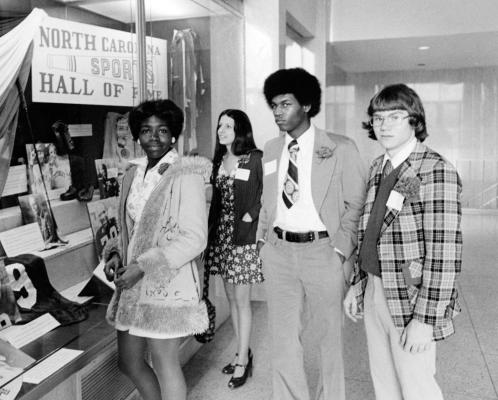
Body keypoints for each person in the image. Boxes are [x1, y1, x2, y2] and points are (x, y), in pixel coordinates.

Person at [344, 84, 462, 400]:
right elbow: (368, 232)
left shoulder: (435, 170)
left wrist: (425, 320)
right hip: (374, 288)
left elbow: (444, 254)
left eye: (396, 116)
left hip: (410, 297)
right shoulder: (379, 167)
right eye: (378, 117)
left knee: (417, 386)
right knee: (384, 383)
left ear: (414, 120)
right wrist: (358, 286)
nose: (385, 125)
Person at [257, 68, 366, 400]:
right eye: (274, 105)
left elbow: (356, 203)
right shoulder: (272, 148)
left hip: (323, 251)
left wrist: (340, 250)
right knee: (283, 339)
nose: (278, 112)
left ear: (306, 104)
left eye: (285, 104)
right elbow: (268, 198)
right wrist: (263, 241)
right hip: (279, 252)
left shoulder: (340, 148)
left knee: (329, 339)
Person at [103, 99, 210, 400]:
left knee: (164, 362)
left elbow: (195, 238)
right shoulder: (131, 175)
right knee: (129, 361)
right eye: (147, 130)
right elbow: (128, 227)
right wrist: (114, 253)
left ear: (174, 135)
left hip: (166, 282)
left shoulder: (184, 174)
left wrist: (144, 266)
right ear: (137, 136)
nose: (154, 137)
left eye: (162, 130)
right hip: (132, 285)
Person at [205, 109, 264, 389]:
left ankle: (242, 361)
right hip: (222, 237)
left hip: (243, 238)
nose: (222, 130)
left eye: (228, 126)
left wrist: (253, 215)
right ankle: (243, 352)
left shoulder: (254, 158)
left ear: (241, 129)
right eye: (220, 126)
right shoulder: (218, 160)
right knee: (230, 298)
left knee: (242, 301)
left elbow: (267, 191)